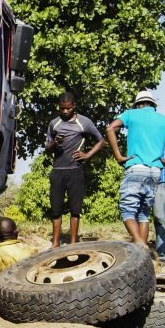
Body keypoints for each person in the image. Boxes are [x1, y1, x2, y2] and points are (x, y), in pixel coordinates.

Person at [106, 90, 165, 247]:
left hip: (136, 168)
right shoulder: (163, 120)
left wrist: (118, 156)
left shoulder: (131, 114)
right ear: (153, 105)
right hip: (155, 172)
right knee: (143, 214)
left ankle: (141, 245)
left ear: (138, 104)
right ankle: (143, 254)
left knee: (127, 211)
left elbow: (110, 129)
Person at [43, 92, 105, 247]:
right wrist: (54, 144)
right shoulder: (54, 124)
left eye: (68, 109)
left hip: (75, 170)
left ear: (74, 106)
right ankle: (55, 243)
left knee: (75, 209)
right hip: (57, 170)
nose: (65, 112)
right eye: (62, 109)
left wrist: (87, 154)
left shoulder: (84, 122)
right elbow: (47, 149)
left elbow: (102, 140)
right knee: (56, 209)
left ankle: (73, 243)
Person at [153, 141, 165, 263]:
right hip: (142, 177)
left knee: (160, 217)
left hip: (161, 180)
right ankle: (139, 254)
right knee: (139, 217)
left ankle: (162, 257)